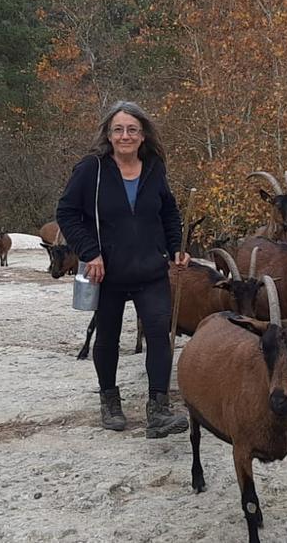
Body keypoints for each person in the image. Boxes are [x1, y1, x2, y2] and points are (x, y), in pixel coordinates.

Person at [56, 101, 191, 438]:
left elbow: (168, 212)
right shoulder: (91, 169)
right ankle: (110, 401)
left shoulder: (154, 167)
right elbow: (67, 213)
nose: (125, 135)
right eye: (118, 129)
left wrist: (176, 247)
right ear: (108, 134)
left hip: (150, 269)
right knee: (108, 337)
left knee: (159, 334)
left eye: (132, 129)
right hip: (107, 272)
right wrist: (90, 253)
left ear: (143, 135)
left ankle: (158, 409)